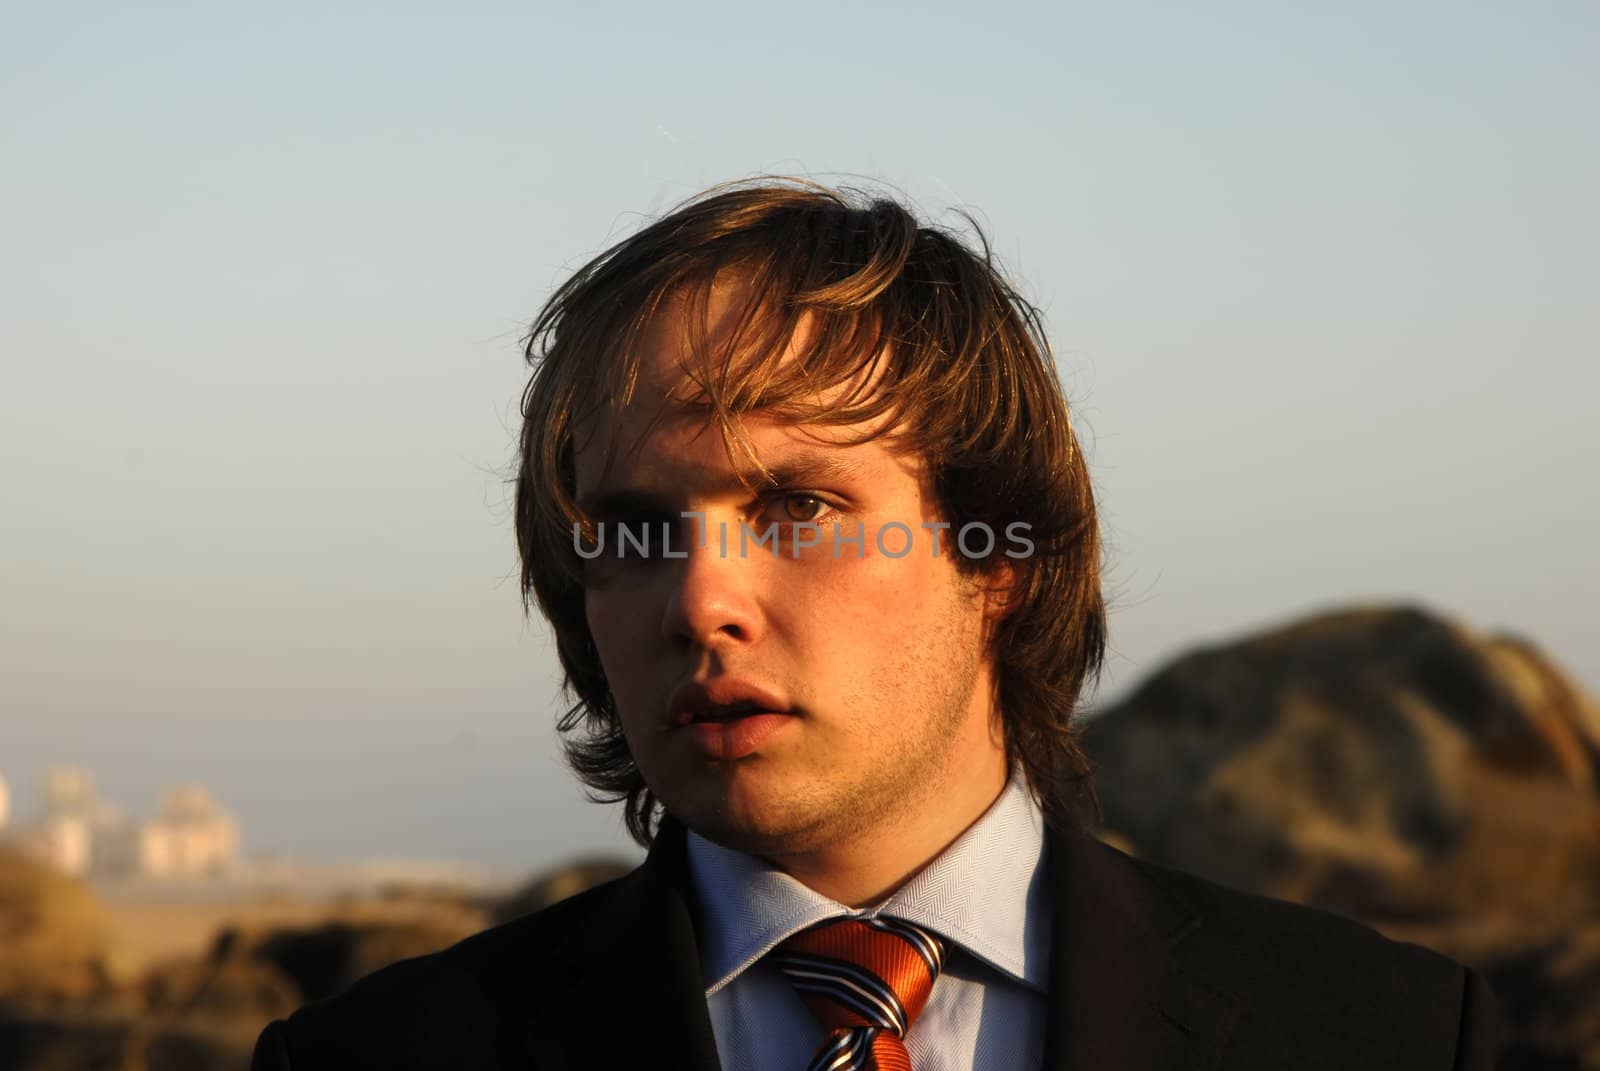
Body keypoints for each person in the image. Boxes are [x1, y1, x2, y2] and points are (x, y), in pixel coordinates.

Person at [252, 179, 1499, 1070]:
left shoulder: (1381, 1032)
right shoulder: (377, 1056)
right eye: (635, 534)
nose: (701, 599)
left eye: (796, 506)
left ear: (994, 556)